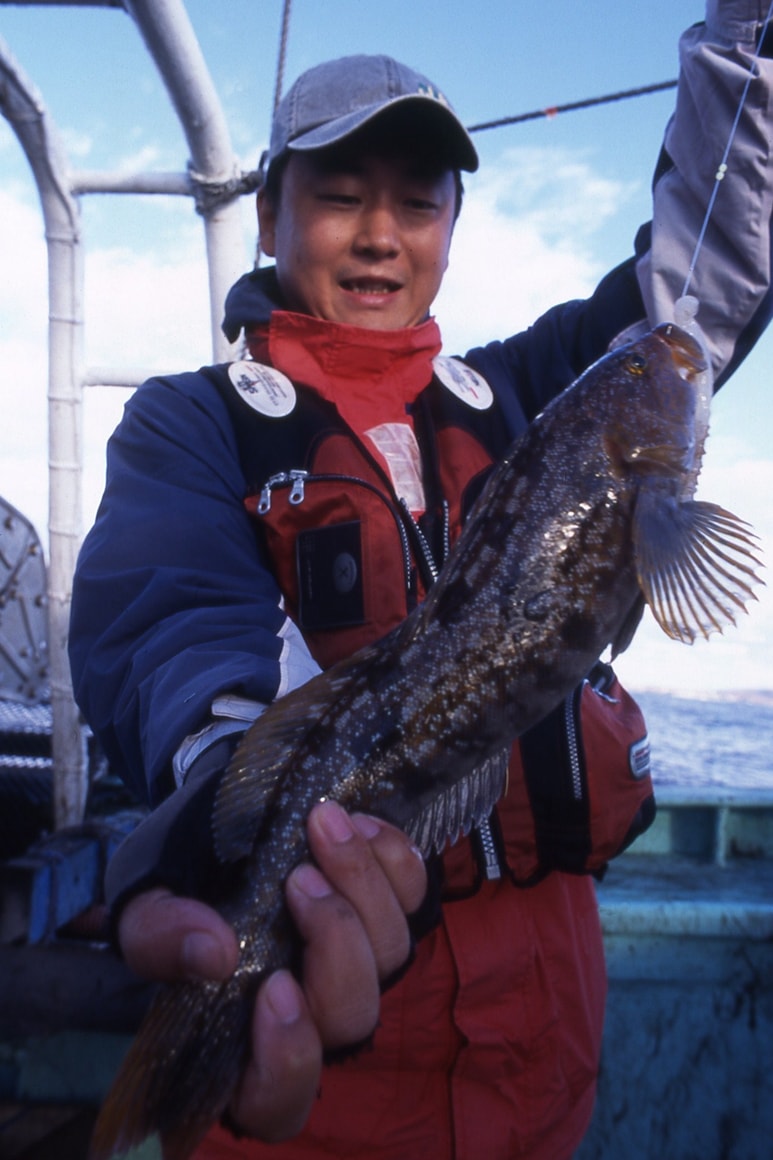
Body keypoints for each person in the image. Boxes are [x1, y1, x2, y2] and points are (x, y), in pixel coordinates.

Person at [69, 5, 773, 1158]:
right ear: (268, 214)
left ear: (453, 220)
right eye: (340, 193)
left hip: (543, 1058)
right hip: (323, 1065)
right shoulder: (191, 424)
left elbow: (700, 274)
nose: (380, 236)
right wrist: (222, 808)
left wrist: (745, 38)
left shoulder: (531, 392)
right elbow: (171, 620)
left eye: (417, 199)